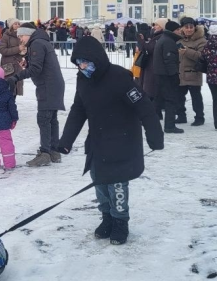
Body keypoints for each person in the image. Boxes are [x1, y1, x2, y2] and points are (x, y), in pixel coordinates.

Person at [57, 36, 164, 246]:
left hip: (122, 141)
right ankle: (107, 217)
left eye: (85, 61)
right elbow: (78, 110)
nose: (82, 66)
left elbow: (144, 107)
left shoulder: (120, 77)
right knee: (99, 181)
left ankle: (120, 221)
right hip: (97, 141)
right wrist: (66, 140)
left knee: (117, 185)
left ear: (97, 58)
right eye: (78, 63)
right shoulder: (83, 79)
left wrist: (155, 136)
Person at [6, 23, 66, 167]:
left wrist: (16, 77)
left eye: (21, 35)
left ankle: (45, 153)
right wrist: (29, 62)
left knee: (44, 119)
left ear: (29, 33)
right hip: (54, 85)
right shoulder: (42, 41)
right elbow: (40, 65)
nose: (20, 39)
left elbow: (36, 69)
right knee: (51, 119)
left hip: (48, 86)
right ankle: (54, 151)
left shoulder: (37, 43)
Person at [152, 20, 184, 133]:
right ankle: (169, 126)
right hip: (166, 75)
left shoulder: (164, 39)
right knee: (170, 100)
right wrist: (174, 75)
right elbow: (169, 60)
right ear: (173, 30)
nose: (180, 31)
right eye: (178, 29)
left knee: (159, 100)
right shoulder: (168, 41)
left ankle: (152, 122)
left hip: (161, 74)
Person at [177, 17, 206, 127]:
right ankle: (181, 116)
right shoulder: (179, 40)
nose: (189, 29)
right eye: (186, 27)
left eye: (191, 27)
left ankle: (199, 117)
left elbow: (202, 56)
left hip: (193, 73)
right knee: (179, 97)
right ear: (182, 28)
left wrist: (187, 51)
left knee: (196, 97)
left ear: (195, 28)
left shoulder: (201, 40)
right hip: (180, 74)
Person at [0, 18, 26, 96]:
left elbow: (23, 50)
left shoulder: (22, 36)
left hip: (18, 64)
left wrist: (24, 52)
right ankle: (8, 106)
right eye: (15, 24)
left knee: (16, 88)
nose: (17, 25)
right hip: (8, 65)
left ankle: (12, 106)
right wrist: (18, 49)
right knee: (8, 88)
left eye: (18, 24)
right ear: (11, 26)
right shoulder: (6, 36)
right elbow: (2, 50)